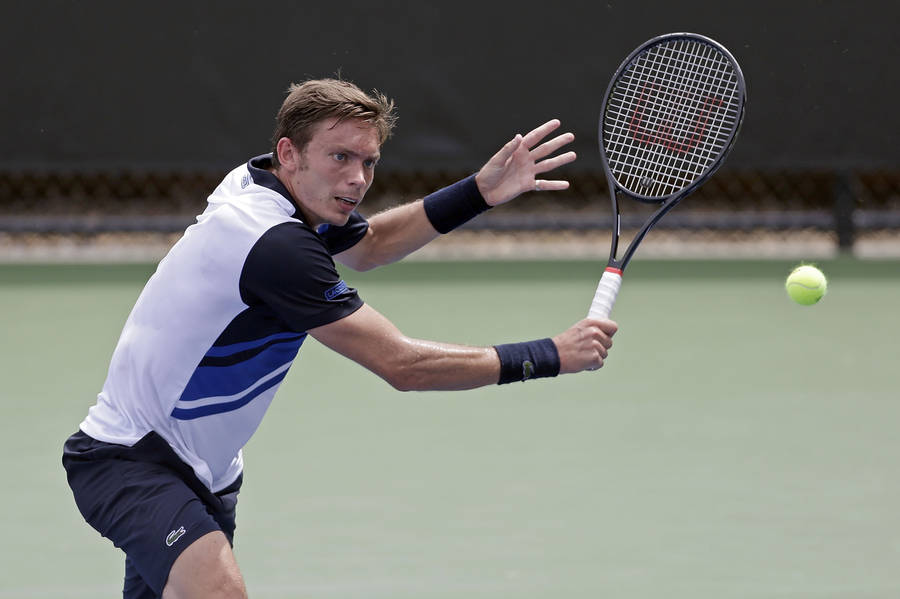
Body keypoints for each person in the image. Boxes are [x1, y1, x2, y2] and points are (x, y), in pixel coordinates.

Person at [62, 78, 618, 599]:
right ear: (289, 153)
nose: (357, 178)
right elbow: (403, 365)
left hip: (207, 470)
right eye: (340, 158)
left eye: (368, 162)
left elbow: (370, 245)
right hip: (131, 459)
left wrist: (477, 192)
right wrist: (549, 355)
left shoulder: (267, 186)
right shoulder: (275, 246)